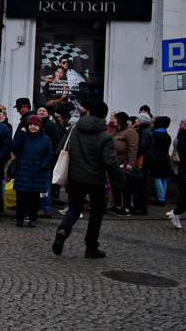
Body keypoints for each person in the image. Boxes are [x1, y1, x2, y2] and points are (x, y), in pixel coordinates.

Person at [52, 100, 124, 258]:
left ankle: (63, 230)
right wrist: (119, 178)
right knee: (97, 211)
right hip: (96, 179)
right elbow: (110, 161)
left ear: (89, 111)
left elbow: (62, 147)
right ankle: (91, 246)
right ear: (104, 116)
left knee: (74, 208)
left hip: (75, 176)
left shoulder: (75, 128)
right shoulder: (105, 135)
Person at [11, 115, 53, 227]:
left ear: (40, 126)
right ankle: (20, 218)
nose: (33, 127)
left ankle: (33, 218)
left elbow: (49, 154)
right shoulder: (23, 137)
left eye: (35, 125)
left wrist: (43, 165)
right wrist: (21, 133)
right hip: (23, 171)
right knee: (21, 197)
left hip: (38, 172)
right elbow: (14, 147)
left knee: (35, 198)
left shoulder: (46, 139)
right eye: (31, 125)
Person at [110, 111, 139, 216]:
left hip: (124, 163)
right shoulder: (116, 130)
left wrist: (131, 163)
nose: (113, 120)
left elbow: (133, 148)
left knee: (125, 186)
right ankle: (117, 205)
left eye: (115, 119)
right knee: (115, 185)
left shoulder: (130, 132)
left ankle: (126, 207)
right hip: (114, 162)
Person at [147, 116, 173, 206]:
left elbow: (153, 148)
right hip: (165, 157)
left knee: (157, 178)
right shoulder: (167, 135)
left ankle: (160, 198)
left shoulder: (155, 135)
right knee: (163, 178)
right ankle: (162, 197)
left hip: (157, 158)